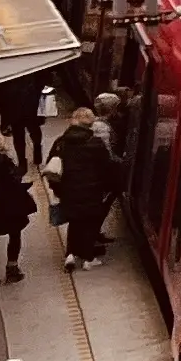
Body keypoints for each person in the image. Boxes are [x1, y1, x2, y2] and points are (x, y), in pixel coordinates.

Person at [48, 104, 114, 269]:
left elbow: (52, 166)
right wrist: (105, 187)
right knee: (89, 222)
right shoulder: (96, 143)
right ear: (90, 124)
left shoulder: (61, 142)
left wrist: (57, 189)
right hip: (92, 190)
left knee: (74, 221)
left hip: (68, 189)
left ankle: (70, 255)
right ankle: (88, 258)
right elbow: (107, 167)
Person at [0, 144, 26, 281]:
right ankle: (12, 267)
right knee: (15, 233)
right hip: (8, 206)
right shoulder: (3, 160)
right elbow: (16, 177)